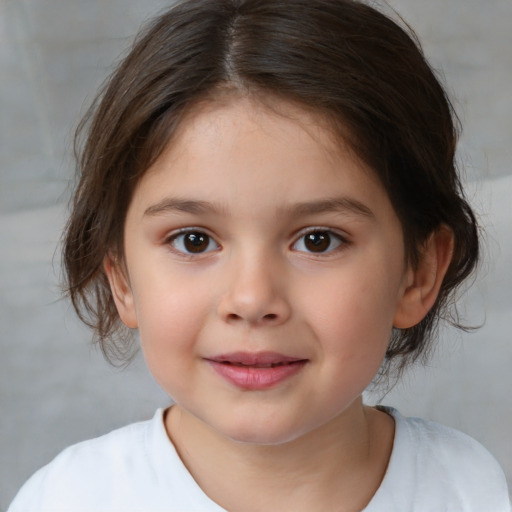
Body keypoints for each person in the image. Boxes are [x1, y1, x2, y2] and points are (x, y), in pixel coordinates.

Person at [8, 0, 511, 510]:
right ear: (121, 279)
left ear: (417, 273)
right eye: (194, 240)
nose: (252, 299)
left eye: (318, 240)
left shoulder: (470, 489)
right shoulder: (68, 499)